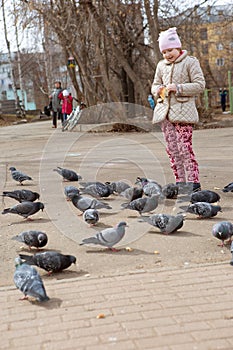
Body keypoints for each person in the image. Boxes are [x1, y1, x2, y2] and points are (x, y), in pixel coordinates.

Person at [151, 27, 205, 193]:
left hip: (183, 114)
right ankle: (180, 181)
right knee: (172, 150)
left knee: (184, 148)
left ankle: (193, 181)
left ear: (178, 47)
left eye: (170, 50)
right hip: (165, 114)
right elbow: (154, 85)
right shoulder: (161, 66)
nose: (168, 54)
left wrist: (179, 88)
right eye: (164, 51)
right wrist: (159, 90)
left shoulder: (190, 62)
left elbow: (200, 85)